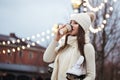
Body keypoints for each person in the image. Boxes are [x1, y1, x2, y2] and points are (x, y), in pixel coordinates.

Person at [43, 12, 96, 80]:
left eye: (75, 23)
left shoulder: (87, 47)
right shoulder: (64, 46)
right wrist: (56, 39)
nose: (71, 25)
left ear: (82, 27)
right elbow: (47, 58)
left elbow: (91, 76)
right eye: (71, 23)